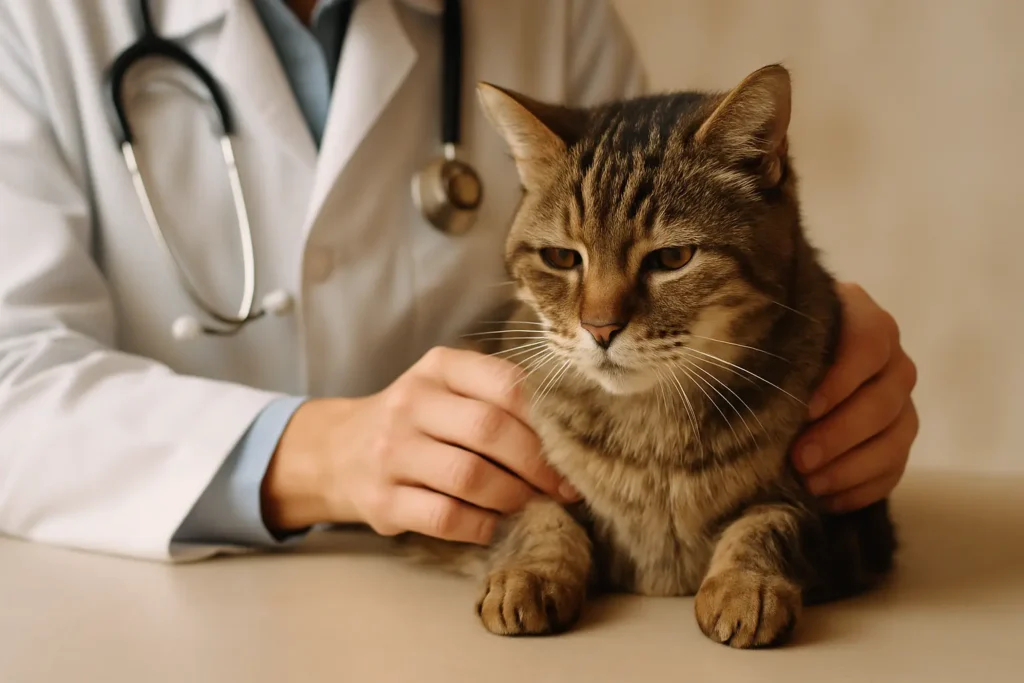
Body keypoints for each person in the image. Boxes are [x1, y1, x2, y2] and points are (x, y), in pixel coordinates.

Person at [0, 0, 918, 562]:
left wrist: (822, 351)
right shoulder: (33, 21)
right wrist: (312, 451)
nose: (600, 308)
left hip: (478, 584)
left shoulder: (547, 6)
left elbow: (657, 215)